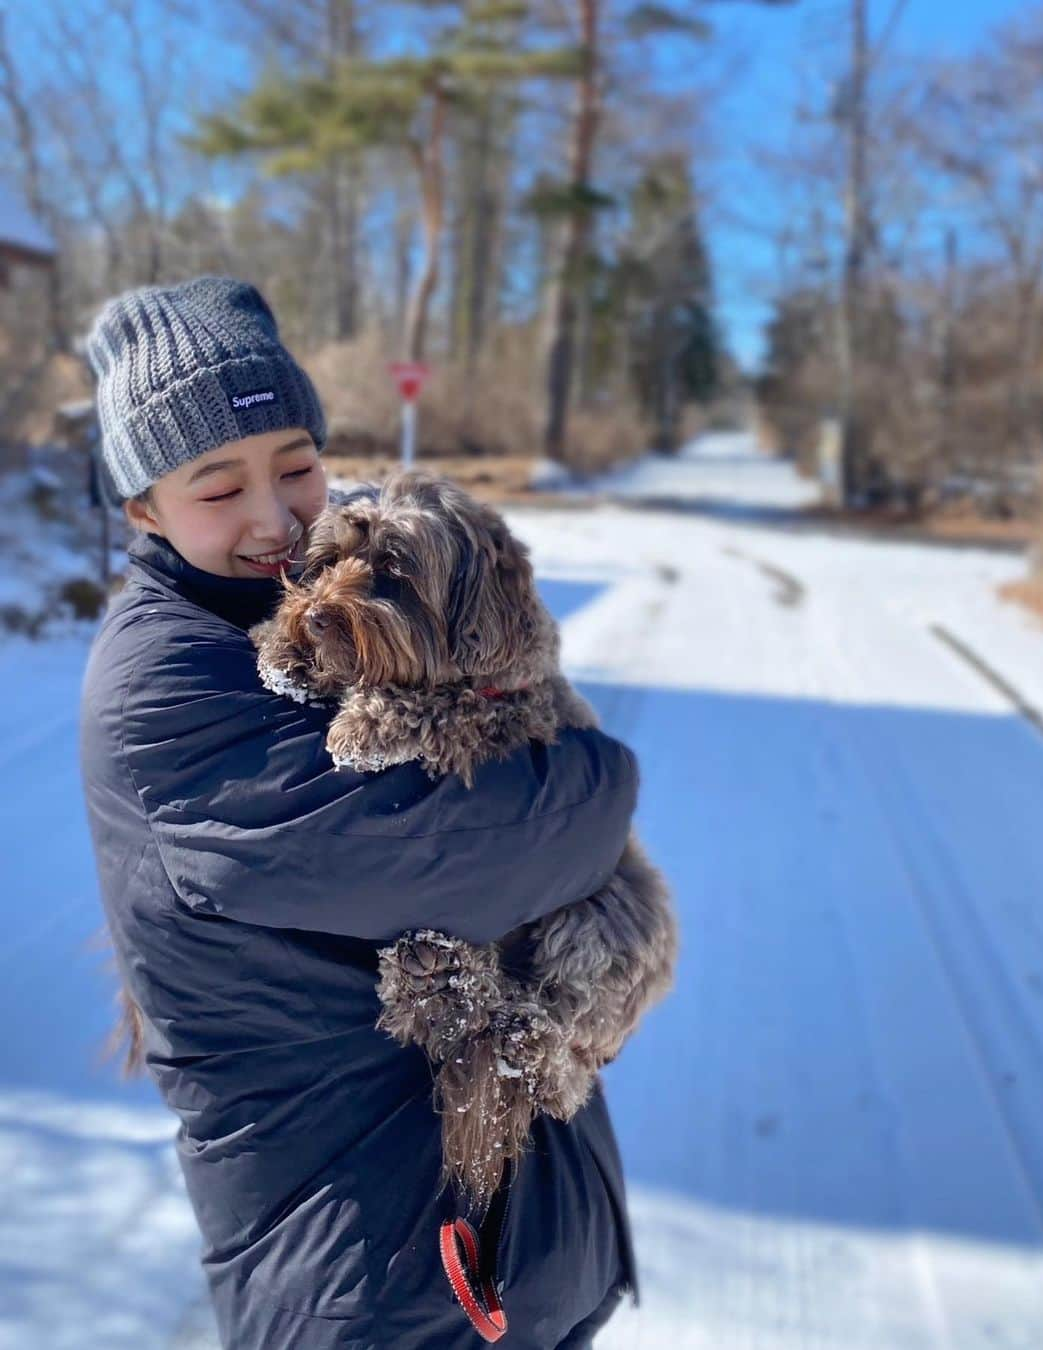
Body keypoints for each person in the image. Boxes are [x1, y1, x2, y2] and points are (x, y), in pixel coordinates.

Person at [78, 275, 641, 1349]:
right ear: (143, 508)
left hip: (504, 1255)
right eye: (215, 484)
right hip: (370, 1272)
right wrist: (600, 777)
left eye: (295, 465)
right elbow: (488, 847)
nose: (273, 515)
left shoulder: (327, 601)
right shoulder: (168, 684)